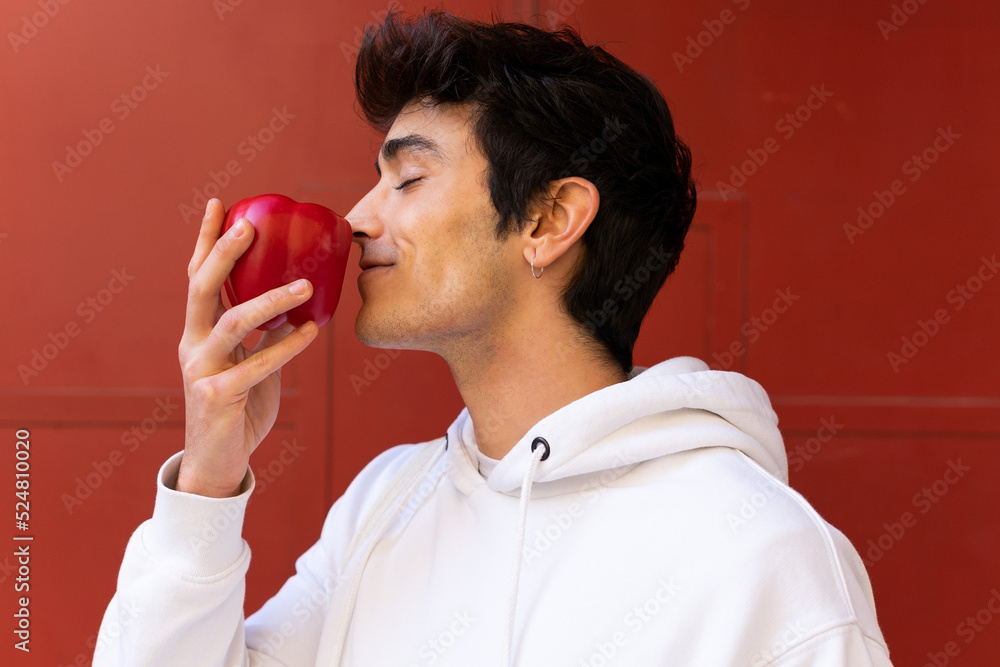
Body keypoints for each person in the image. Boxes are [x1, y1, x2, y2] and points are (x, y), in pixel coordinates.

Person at [95, 9, 893, 666]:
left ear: (547, 221)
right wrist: (205, 481)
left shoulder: (764, 555)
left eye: (407, 179)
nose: (359, 219)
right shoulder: (386, 507)